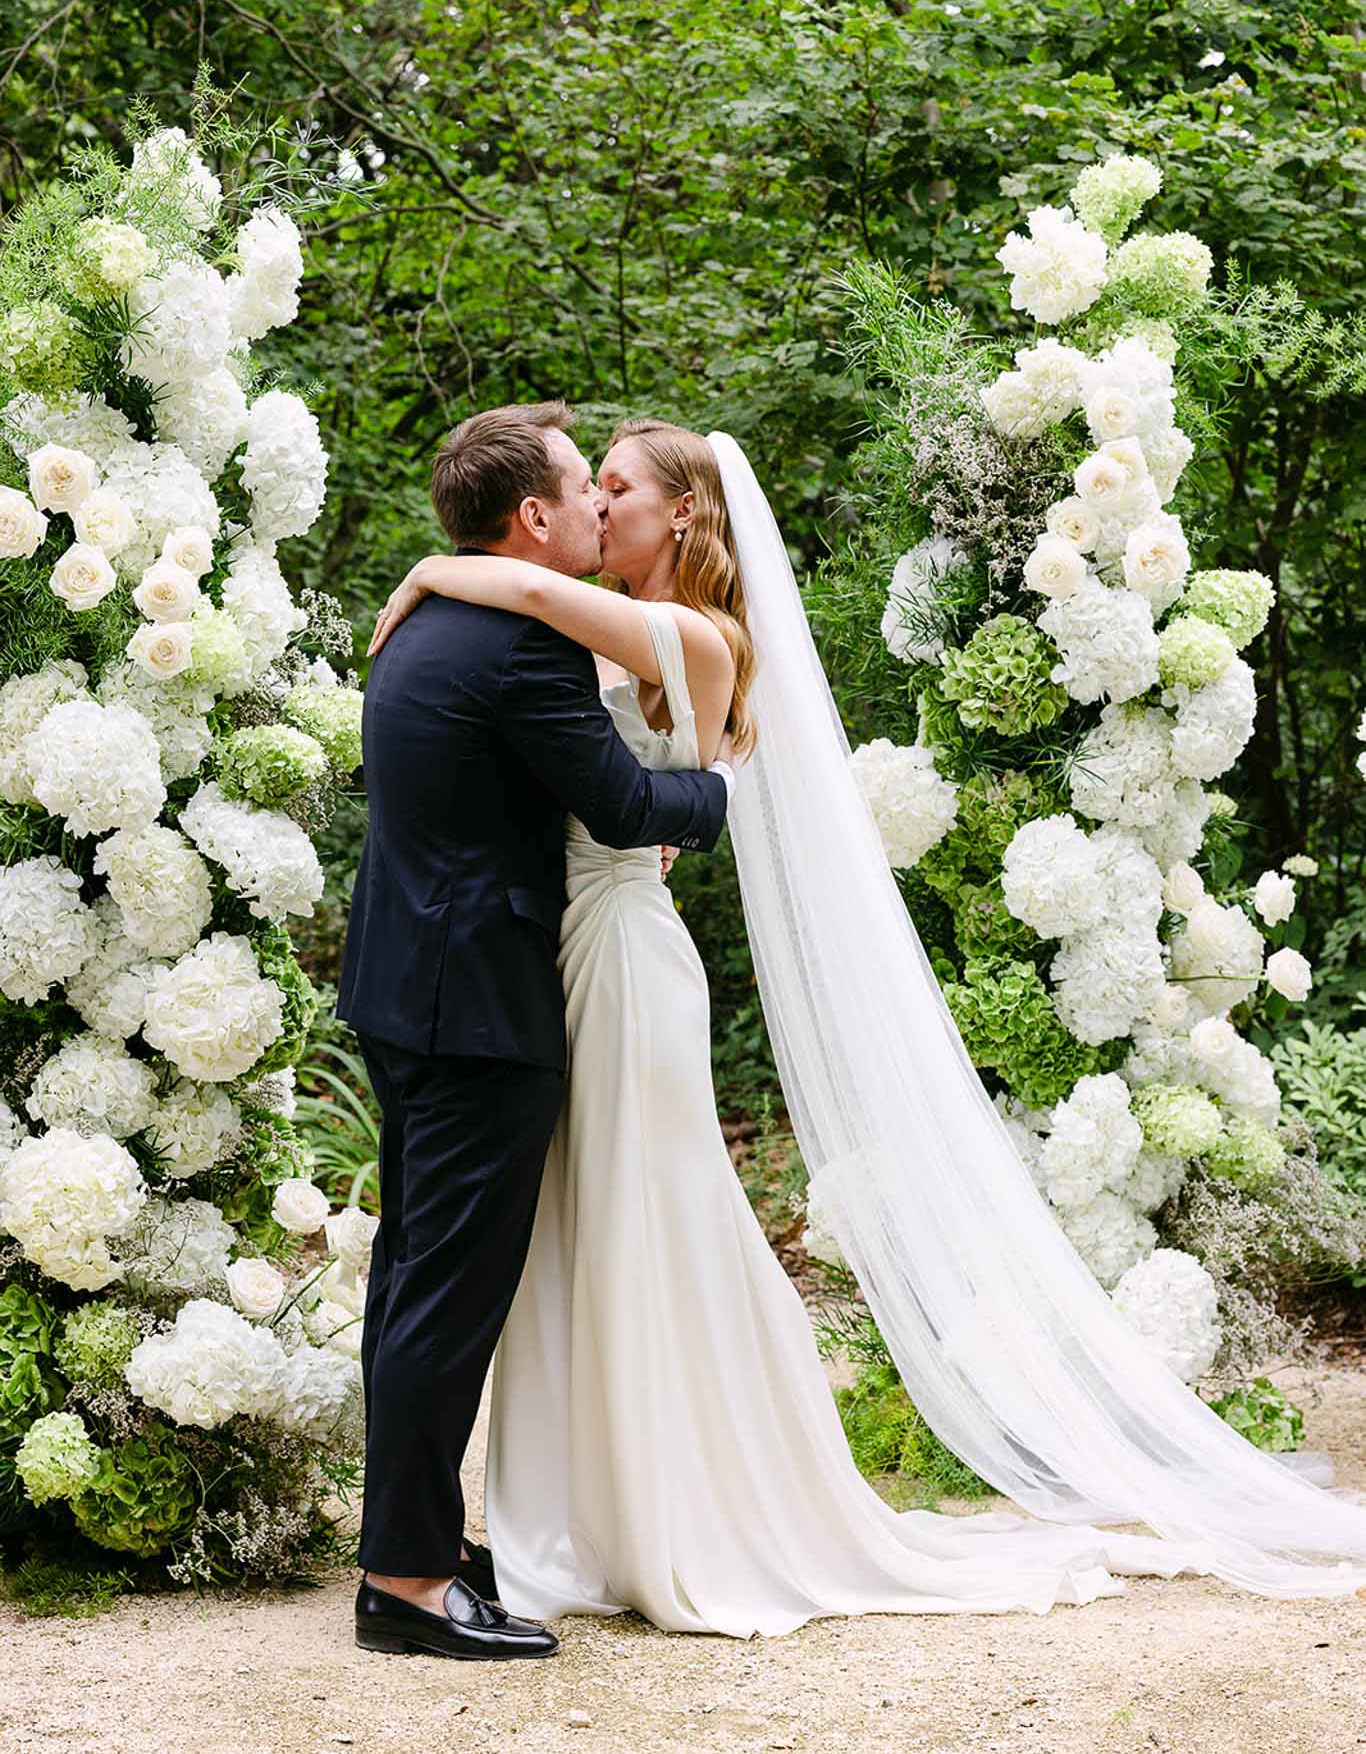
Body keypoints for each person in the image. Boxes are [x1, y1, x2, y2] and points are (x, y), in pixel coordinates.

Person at [368, 414, 1366, 1637]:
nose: (602, 501)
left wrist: (428, 568)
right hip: (542, 965)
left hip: (611, 958)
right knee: (579, 1237)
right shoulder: (557, 629)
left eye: (620, 485)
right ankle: (558, 1511)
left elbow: (553, 645)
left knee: (646, 1219)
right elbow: (533, 663)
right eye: (592, 484)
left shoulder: (684, 633)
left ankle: (678, 1504)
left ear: (683, 511)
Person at [338, 403, 732, 1662]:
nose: (597, 506)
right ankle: (403, 1577)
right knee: (445, 1297)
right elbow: (621, 803)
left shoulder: (422, 630)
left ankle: (416, 1534)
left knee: (411, 1281)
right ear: (535, 516)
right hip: (484, 1005)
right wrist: (717, 794)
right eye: (584, 486)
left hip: (406, 986)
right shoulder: (521, 646)